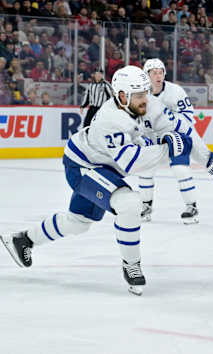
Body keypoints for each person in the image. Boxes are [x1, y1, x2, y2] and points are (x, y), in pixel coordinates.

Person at [0, 66, 194, 296]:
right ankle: (131, 265)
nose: (146, 99)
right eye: (140, 95)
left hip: (100, 167)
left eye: (146, 93)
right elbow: (132, 162)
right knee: (129, 204)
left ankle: (23, 240)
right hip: (83, 166)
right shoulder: (112, 120)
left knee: (78, 222)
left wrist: (168, 139)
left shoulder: (137, 106)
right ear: (122, 96)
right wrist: (166, 150)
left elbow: (145, 137)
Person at [138, 58, 202, 224]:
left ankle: (191, 206)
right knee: (145, 171)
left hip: (175, 137)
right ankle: (146, 206)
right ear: (147, 75)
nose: (158, 76)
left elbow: (188, 117)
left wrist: (171, 120)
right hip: (151, 138)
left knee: (180, 169)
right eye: (154, 73)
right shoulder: (140, 93)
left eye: (161, 72)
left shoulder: (176, 91)